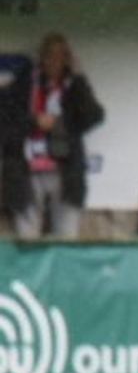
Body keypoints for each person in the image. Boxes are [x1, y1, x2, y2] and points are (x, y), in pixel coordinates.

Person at [0, 33, 105, 239]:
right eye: (49, 55)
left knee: (66, 237)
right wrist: (34, 122)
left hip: (65, 169)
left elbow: (94, 116)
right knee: (26, 237)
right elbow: (5, 119)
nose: (54, 61)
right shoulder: (24, 83)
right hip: (26, 168)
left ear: (67, 59)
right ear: (41, 57)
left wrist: (78, 77)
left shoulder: (74, 86)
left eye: (60, 56)